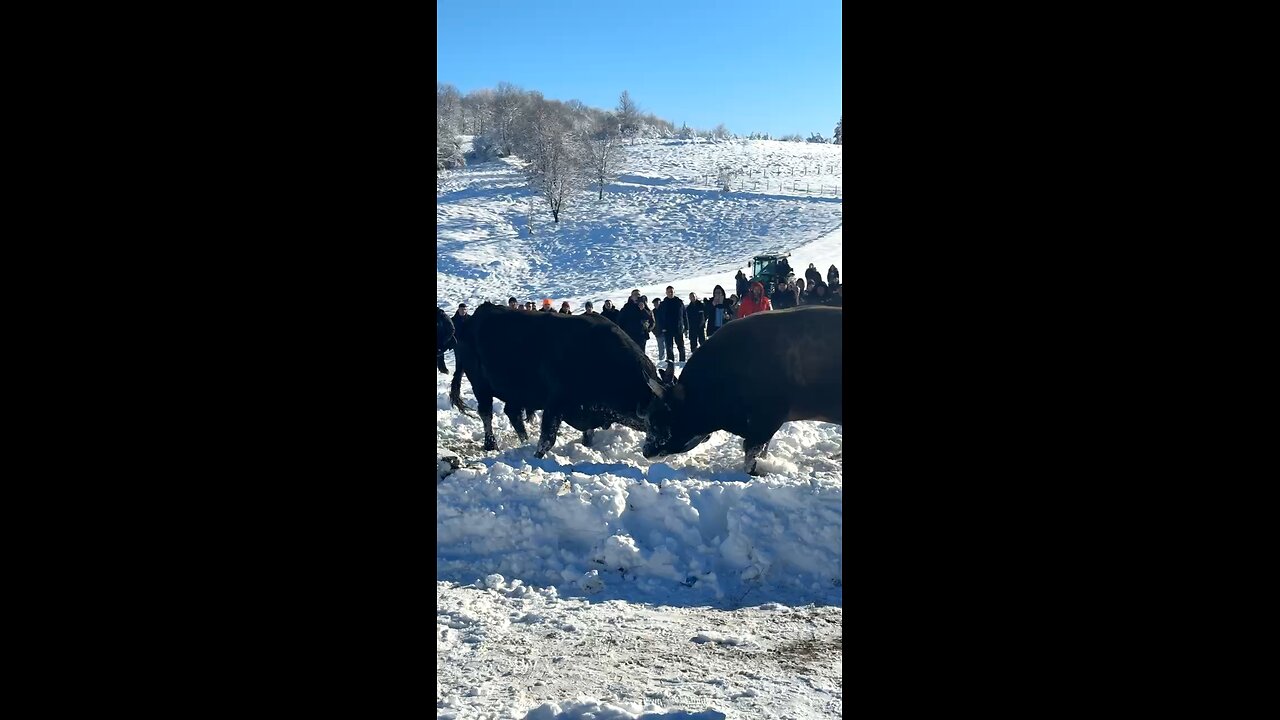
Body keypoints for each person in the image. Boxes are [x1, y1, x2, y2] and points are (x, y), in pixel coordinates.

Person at [657, 285, 687, 365]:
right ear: (666, 293)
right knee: (669, 347)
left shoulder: (679, 302)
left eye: (672, 292)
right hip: (667, 329)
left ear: (674, 292)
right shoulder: (663, 304)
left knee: (680, 346)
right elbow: (659, 318)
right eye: (669, 292)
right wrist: (661, 328)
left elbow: (684, 315)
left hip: (678, 328)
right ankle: (670, 361)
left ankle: (682, 361)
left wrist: (686, 327)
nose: (670, 293)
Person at [652, 297, 667, 363]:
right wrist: (654, 331)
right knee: (661, 346)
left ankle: (668, 359)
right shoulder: (653, 312)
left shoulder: (665, 310)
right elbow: (651, 322)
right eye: (655, 304)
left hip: (667, 331)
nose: (656, 305)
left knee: (668, 346)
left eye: (657, 303)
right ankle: (662, 360)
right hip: (658, 332)